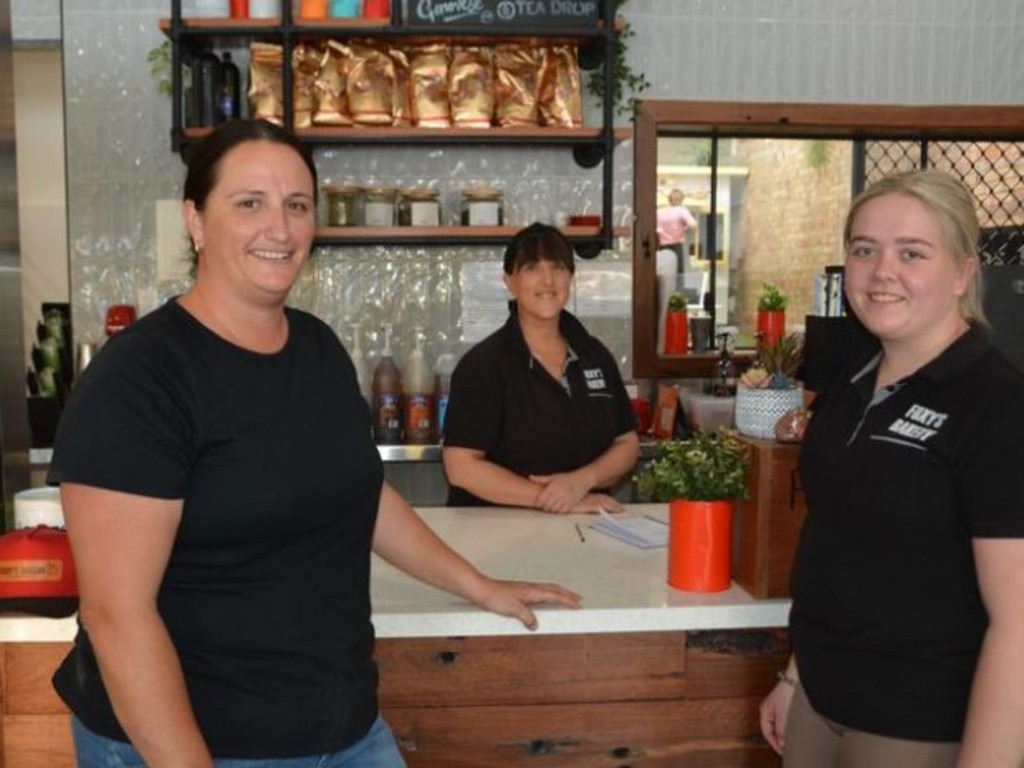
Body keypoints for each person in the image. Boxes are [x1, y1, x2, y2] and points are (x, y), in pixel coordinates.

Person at [46, 119, 581, 767]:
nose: (280, 228)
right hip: (198, 743)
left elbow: (361, 493)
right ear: (195, 219)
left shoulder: (317, 349)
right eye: (249, 204)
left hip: (342, 730)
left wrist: (478, 584)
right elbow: (115, 618)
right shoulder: (142, 379)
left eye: (296, 205)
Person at [759, 170, 1024, 767]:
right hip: (819, 705)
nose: (883, 272)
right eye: (864, 250)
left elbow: (1020, 626)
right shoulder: (850, 381)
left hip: (918, 726)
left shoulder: (997, 406)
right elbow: (833, 541)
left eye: (912, 253)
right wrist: (795, 678)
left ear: (962, 272)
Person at [441, 222, 639, 513]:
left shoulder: (594, 355)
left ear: (571, 277)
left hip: (584, 531)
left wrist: (582, 481)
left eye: (557, 268)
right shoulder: (483, 365)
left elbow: (627, 442)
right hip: (496, 535)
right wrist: (555, 499)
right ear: (509, 281)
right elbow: (461, 467)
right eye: (532, 268)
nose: (548, 281)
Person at [656, 188, 697, 273]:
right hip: (676, 245)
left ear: (669, 199)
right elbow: (692, 224)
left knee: (663, 271)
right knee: (678, 273)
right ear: (681, 200)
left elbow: (654, 227)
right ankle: (678, 286)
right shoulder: (682, 211)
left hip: (662, 246)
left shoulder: (659, 211)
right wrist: (683, 229)